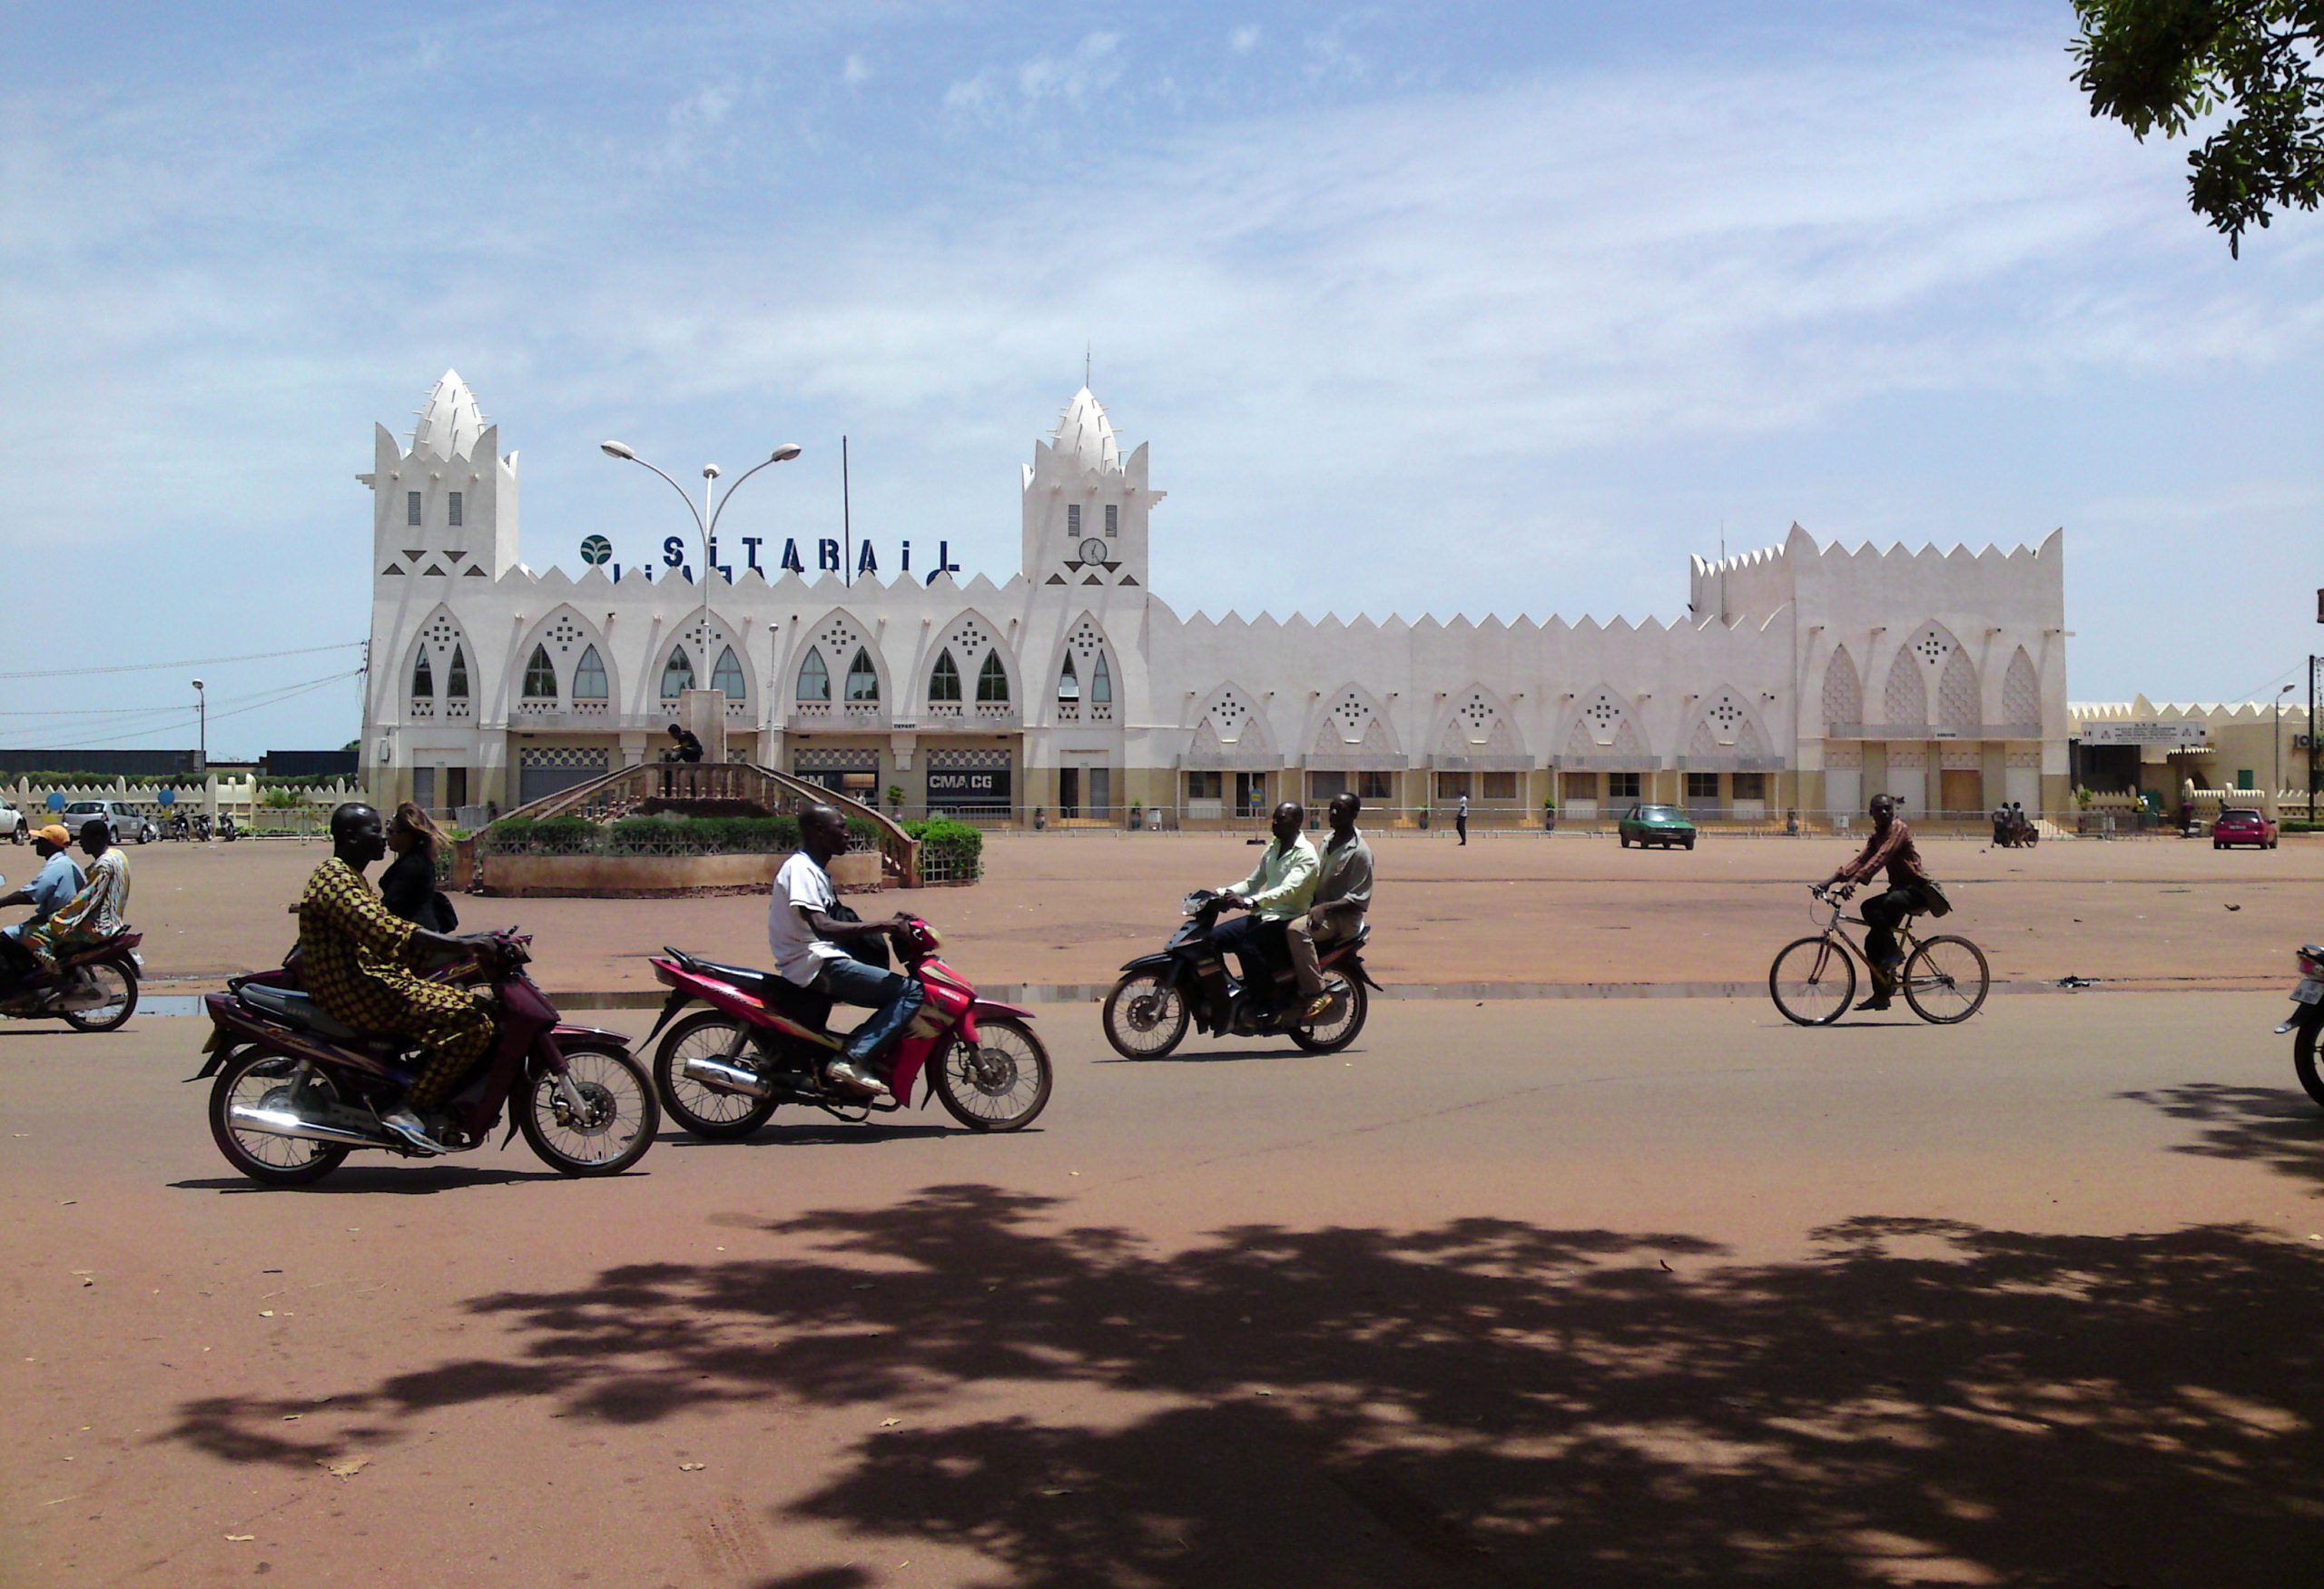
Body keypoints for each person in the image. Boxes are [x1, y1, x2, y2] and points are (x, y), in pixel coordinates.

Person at [299, 803, 497, 1154]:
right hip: (357, 992)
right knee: (474, 1023)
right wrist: (463, 946)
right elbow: (385, 930)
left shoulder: (352, 876)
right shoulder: (337, 879)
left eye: (386, 830)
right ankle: (408, 1104)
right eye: (375, 831)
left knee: (468, 1006)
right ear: (349, 837)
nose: (382, 837)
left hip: (374, 978)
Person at [768, 804, 922, 1099]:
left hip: (817, 959)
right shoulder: (800, 870)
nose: (848, 834)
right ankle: (853, 1059)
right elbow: (823, 926)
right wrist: (885, 925)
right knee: (911, 992)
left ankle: (852, 1054)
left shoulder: (816, 871)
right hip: (815, 963)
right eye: (841, 828)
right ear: (818, 832)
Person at [1825, 793, 1939, 1012]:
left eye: (1888, 808)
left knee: (1869, 907)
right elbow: (1861, 859)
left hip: (1916, 890)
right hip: (1898, 891)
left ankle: (1894, 952)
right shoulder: (1877, 835)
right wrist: (1830, 880)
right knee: (1872, 942)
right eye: (1880, 809)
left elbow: (1882, 857)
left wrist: (1856, 881)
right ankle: (1882, 994)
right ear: (1871, 813)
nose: (1885, 812)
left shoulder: (1898, 829)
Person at [1213, 800, 1319, 1013]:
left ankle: (1267, 1000)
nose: (1274, 823)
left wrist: (1251, 901)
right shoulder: (1274, 846)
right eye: (1274, 818)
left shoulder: (1306, 854)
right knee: (1212, 939)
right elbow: (1252, 882)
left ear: (1297, 821)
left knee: (1247, 945)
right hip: (1264, 914)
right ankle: (1229, 991)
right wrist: (1220, 894)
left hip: (1287, 917)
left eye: (1281, 819)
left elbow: (1287, 890)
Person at [1287, 792, 1374, 1021]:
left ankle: (1316, 992)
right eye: (1332, 808)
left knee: (1296, 930)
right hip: (1318, 909)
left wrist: (1324, 908)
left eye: (1340, 810)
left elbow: (1358, 898)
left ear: (1354, 815)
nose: (1333, 814)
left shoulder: (1360, 852)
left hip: (1342, 919)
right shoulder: (1327, 841)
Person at [18, 818, 132, 973]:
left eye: (84, 839)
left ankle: (55, 974)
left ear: (96, 840)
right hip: (113, 922)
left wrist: (57, 919)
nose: (81, 843)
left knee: (31, 933)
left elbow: (86, 900)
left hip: (97, 928)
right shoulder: (118, 855)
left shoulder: (102, 866)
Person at [0, 825, 86, 991]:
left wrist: (2, 902)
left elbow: (33, 893)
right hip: (63, 920)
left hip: (56, 924)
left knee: (4, 939)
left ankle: (16, 990)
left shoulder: (57, 866)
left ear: (51, 844)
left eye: (40, 840)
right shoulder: (65, 863)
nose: (36, 844)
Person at [379, 802, 458, 932]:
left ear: (407, 836)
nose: (386, 837)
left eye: (391, 831)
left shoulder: (414, 866)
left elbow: (392, 904)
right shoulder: (416, 860)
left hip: (418, 937)